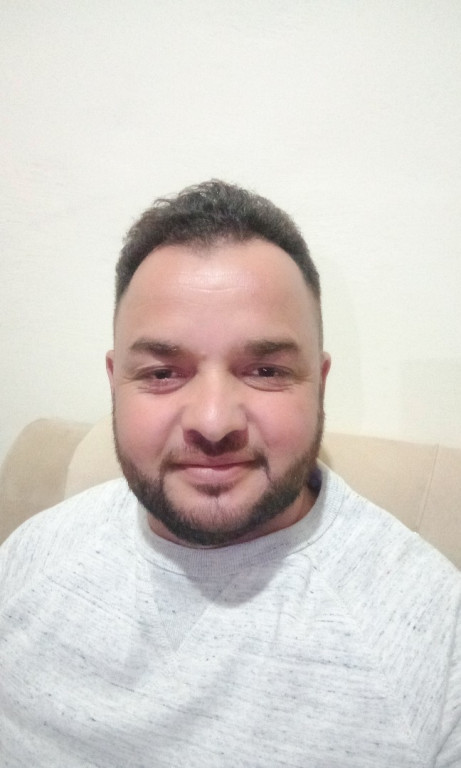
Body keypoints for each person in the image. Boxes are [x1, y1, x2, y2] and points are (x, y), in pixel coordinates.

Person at [0, 181, 459, 768]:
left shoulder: (434, 642)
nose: (214, 423)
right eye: (162, 373)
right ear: (115, 382)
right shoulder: (29, 559)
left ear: (320, 383)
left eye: (265, 370)